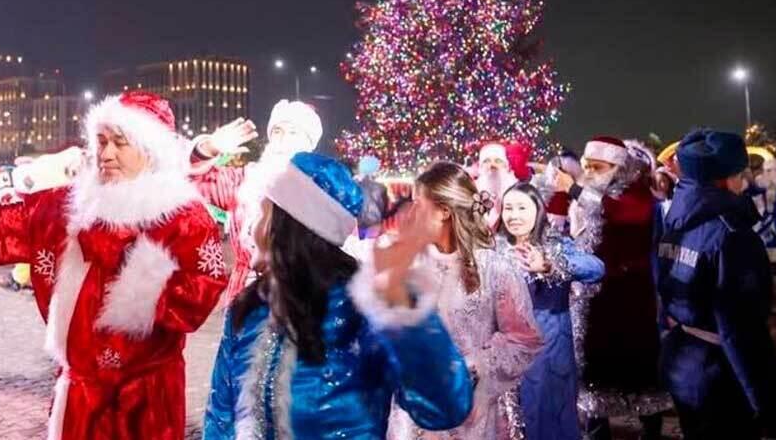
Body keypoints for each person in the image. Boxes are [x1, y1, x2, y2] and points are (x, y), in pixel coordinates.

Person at [0, 91, 229, 439]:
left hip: (144, 403)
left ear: (151, 149)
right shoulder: (66, 207)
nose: (106, 154)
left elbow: (195, 302)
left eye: (120, 143)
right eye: (101, 141)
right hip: (77, 396)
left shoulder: (183, 216)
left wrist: (128, 265)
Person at [202, 153, 473, 439]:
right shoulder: (249, 307)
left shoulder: (361, 310)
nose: (251, 228)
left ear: (290, 229)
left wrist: (405, 311)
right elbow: (220, 417)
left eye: (263, 213)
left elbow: (446, 408)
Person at [389, 162, 543, 440]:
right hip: (414, 409)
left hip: (470, 411)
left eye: (418, 204)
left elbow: (524, 341)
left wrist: (472, 365)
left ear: (445, 211)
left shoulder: (495, 269)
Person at [657, 130, 776, 439]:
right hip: (720, 373)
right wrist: (762, 399)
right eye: (742, 173)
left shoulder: (676, 221)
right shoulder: (732, 234)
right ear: (725, 179)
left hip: (684, 361)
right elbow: (740, 327)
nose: (746, 181)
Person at [552, 136, 670, 440]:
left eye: (598, 166)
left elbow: (622, 212)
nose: (589, 171)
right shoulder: (591, 193)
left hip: (631, 296)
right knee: (594, 363)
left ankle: (651, 426)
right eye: (587, 165)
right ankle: (596, 429)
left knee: (639, 363)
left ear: (617, 167)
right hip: (595, 296)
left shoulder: (637, 194)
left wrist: (576, 190)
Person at [495, 182, 605, 440]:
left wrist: (547, 265)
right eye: (508, 208)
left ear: (538, 210)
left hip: (549, 356)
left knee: (550, 423)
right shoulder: (495, 249)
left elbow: (596, 268)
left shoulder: (555, 245)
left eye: (522, 207)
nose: (514, 215)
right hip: (506, 358)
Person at [190, 99, 321, 306]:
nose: (284, 139)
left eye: (294, 132)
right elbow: (196, 184)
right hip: (245, 296)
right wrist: (209, 148)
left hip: (301, 300)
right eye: (278, 131)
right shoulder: (243, 179)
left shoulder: (323, 188)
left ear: (309, 143)